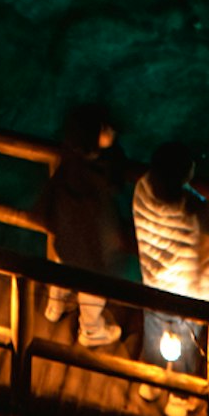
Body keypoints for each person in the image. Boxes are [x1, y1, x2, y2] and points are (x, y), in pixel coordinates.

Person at [46, 100, 135, 350]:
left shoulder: (70, 158)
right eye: (104, 130)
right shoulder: (102, 168)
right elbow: (116, 182)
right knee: (93, 283)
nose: (111, 132)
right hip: (91, 244)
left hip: (66, 233)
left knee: (62, 266)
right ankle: (91, 329)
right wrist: (113, 148)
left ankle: (54, 306)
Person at [131, 144, 209, 375]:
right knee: (185, 342)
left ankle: (149, 383)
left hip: (154, 285)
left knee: (155, 332)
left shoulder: (142, 190)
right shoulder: (190, 206)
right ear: (185, 175)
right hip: (186, 294)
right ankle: (179, 399)